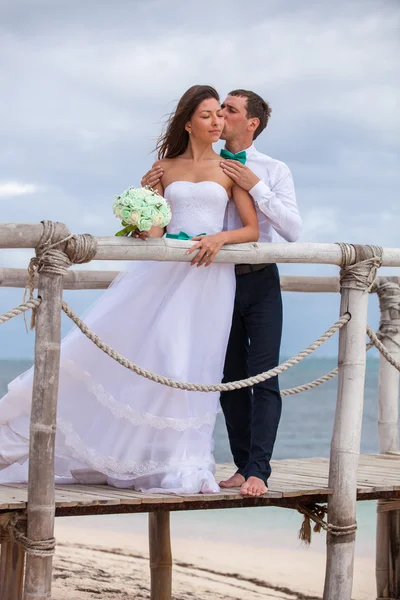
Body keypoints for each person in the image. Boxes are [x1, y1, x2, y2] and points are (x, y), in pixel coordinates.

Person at [0, 85, 259, 495]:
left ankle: (180, 463)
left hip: (208, 277)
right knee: (128, 351)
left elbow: (252, 228)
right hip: (162, 272)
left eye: (219, 115)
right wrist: (144, 206)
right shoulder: (165, 167)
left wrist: (220, 239)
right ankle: (34, 438)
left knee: (189, 364)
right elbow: (155, 231)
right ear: (188, 122)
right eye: (207, 115)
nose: (216, 122)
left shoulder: (230, 170)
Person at [142, 89, 301, 497]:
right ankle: (239, 464)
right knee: (227, 376)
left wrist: (257, 186)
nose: (220, 117)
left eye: (229, 111)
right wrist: (146, 198)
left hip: (259, 278)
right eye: (215, 111)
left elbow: (292, 230)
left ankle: (258, 473)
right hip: (215, 281)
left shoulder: (272, 169)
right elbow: (163, 221)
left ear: (251, 124)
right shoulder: (193, 164)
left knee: (264, 376)